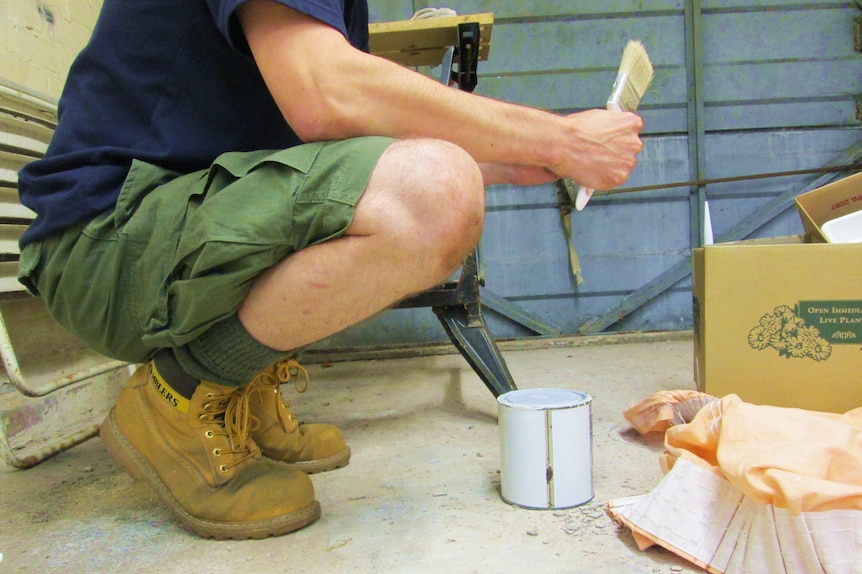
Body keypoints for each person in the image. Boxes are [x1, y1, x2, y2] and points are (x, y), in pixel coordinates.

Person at [16, 0, 644, 540]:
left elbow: (330, 148)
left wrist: (509, 161)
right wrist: (558, 139)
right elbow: (326, 92)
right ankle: (179, 395)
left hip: (165, 219)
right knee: (435, 193)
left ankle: (239, 384)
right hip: (107, 243)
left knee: (429, 183)